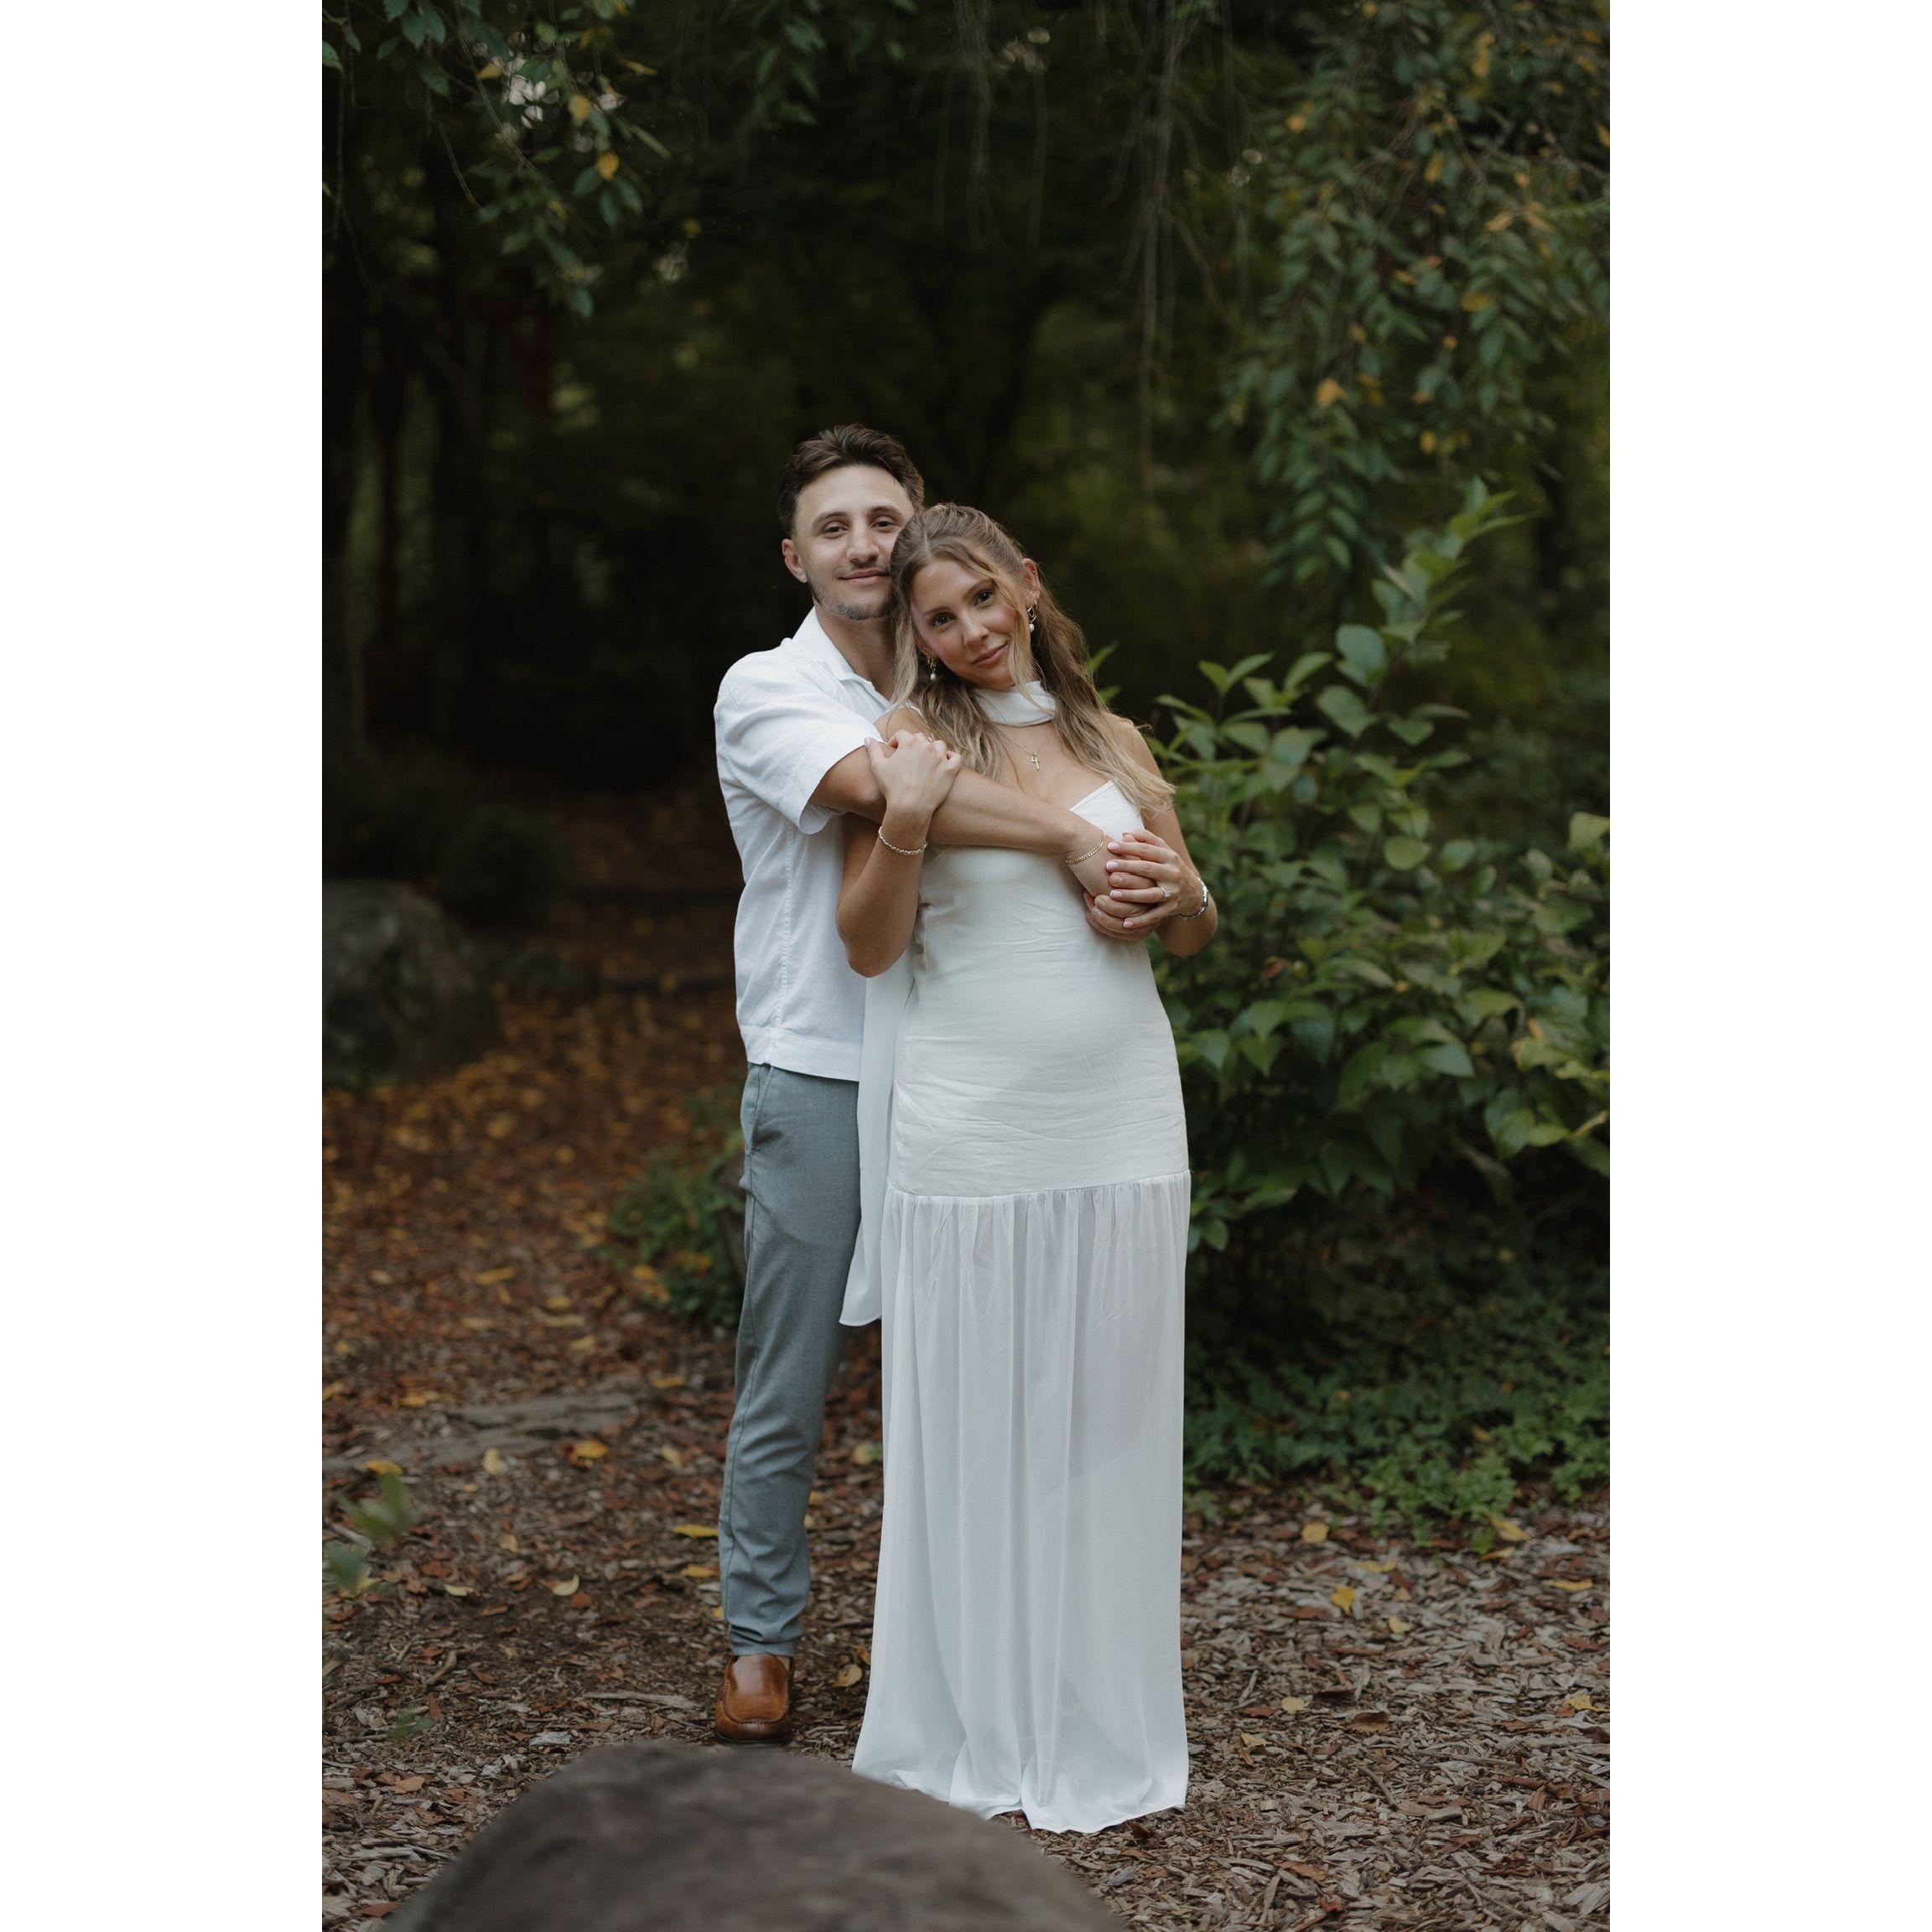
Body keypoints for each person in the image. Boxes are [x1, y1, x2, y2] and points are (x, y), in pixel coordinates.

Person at [711, 428, 1135, 1744]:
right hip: (827, 1066)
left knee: (985, 1368)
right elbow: (883, 795)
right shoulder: (766, 688)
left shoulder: (959, 669)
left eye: (883, 520)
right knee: (791, 1370)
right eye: (832, 527)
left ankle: (988, 1647)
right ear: (795, 557)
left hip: (968, 1066)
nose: (863, 546)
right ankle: (760, 1645)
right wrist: (1073, 834)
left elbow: (1056, 765)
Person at [834, 503, 1218, 1835]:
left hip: (1121, 1119)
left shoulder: (1117, 742)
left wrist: (1175, 896)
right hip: (973, 1134)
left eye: (984, 598)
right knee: (982, 1427)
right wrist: (905, 822)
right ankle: (984, 1718)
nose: (971, 631)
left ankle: (1094, 1712)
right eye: (939, 618)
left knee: (1107, 1423)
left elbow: (1195, 919)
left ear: (1028, 585)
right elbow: (868, 947)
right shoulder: (910, 746)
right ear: (919, 636)